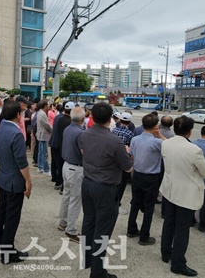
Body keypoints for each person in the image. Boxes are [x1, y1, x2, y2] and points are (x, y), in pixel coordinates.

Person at [81, 102, 134, 278]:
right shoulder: (114, 141)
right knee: (102, 229)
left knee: (89, 222)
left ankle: (87, 259)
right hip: (104, 187)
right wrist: (129, 155)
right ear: (111, 118)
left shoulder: (85, 134)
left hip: (87, 183)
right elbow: (127, 167)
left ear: (92, 116)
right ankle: (97, 271)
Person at [160, 115, 205, 277]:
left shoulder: (166, 143)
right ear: (190, 131)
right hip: (186, 194)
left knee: (169, 223)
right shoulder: (194, 150)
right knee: (182, 229)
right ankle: (178, 264)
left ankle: (166, 253)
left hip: (169, 190)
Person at [0, 101, 32, 264]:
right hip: (15, 179)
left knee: (1, 210)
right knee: (12, 216)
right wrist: (28, 181)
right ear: (18, 115)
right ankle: (8, 253)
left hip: (3, 176)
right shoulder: (16, 134)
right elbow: (21, 161)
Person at [127, 114, 165, 246]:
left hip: (137, 174)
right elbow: (170, 147)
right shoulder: (157, 142)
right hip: (151, 177)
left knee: (135, 203)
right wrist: (159, 135)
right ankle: (144, 236)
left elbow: (131, 155)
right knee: (149, 207)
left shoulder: (135, 139)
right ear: (156, 126)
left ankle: (131, 229)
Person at [57, 107, 85, 243]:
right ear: (82, 118)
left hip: (67, 165)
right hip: (76, 168)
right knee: (75, 199)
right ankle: (71, 230)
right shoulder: (80, 133)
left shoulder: (68, 129)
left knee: (67, 195)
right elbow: (84, 152)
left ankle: (63, 222)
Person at [112, 112, 135, 215]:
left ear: (120, 121)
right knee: (121, 184)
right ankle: (117, 204)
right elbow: (130, 149)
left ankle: (112, 202)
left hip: (113, 160)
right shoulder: (130, 134)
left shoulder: (114, 130)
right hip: (124, 160)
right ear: (129, 122)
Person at [50, 102, 74, 190]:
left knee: (55, 162)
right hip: (61, 145)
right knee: (61, 164)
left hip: (54, 142)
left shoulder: (58, 117)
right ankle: (60, 182)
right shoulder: (69, 121)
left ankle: (55, 179)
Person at [35, 100, 52, 176]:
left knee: (40, 152)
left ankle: (40, 167)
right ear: (45, 106)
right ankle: (46, 169)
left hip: (40, 134)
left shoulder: (39, 112)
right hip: (43, 135)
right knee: (44, 153)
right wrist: (52, 130)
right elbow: (47, 125)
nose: (48, 106)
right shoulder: (43, 114)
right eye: (48, 105)